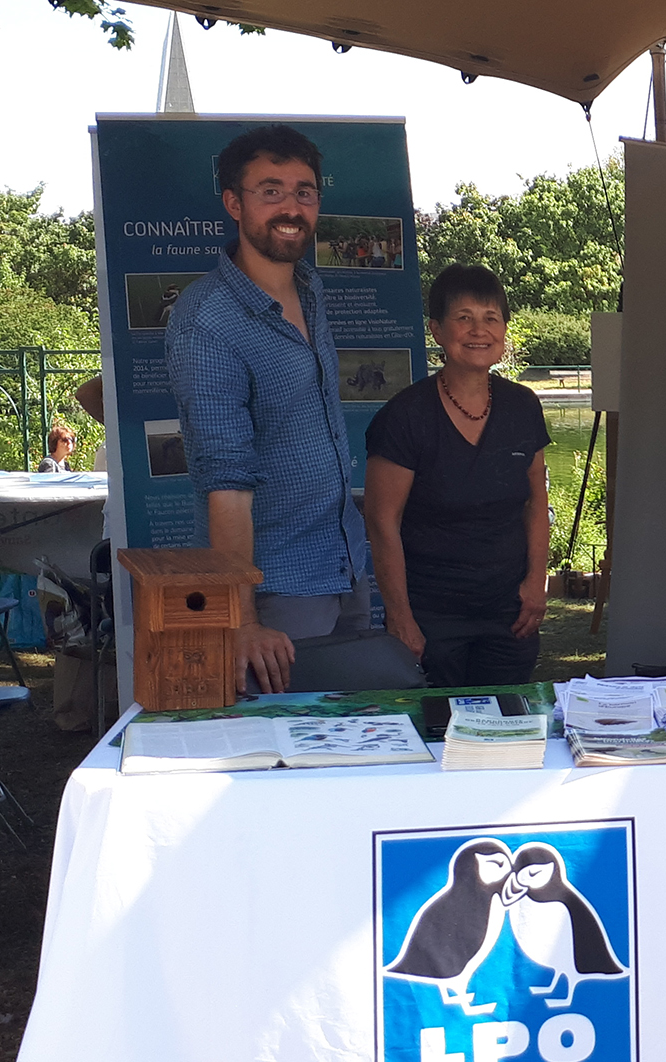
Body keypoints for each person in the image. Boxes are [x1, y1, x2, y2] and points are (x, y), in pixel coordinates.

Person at [166, 124, 370, 694]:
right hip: (278, 592)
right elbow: (224, 481)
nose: (291, 207)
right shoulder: (207, 322)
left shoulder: (309, 288)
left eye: (305, 192)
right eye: (271, 190)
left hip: (344, 564)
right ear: (234, 203)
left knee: (353, 746)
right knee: (286, 756)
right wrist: (244, 619)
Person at [363, 265, 550, 686]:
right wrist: (401, 617)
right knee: (438, 737)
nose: (478, 330)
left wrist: (536, 583)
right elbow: (381, 522)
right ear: (437, 331)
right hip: (432, 616)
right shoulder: (405, 417)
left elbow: (537, 502)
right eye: (463, 318)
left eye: (491, 318)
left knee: (509, 732)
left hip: (509, 613)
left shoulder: (523, 407)